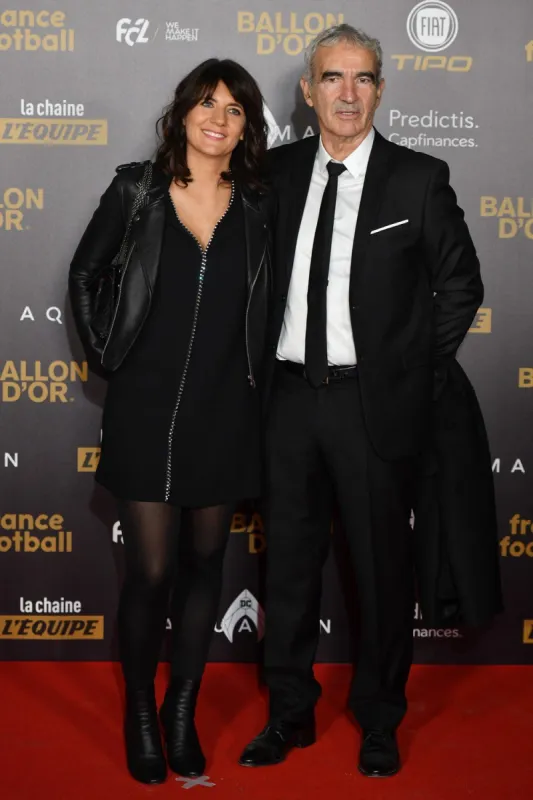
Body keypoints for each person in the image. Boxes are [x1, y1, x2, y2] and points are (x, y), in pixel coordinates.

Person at [239, 24, 483, 777]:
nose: (347, 93)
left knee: (381, 572)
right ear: (307, 92)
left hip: (370, 407)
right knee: (285, 570)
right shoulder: (272, 175)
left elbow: (460, 287)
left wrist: (405, 370)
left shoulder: (418, 178)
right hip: (284, 403)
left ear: (380, 88)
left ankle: (380, 718)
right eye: (332, 78)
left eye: (363, 78)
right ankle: (288, 715)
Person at [69, 59, 271, 785]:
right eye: (206, 102)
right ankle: (141, 716)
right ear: (183, 111)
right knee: (150, 569)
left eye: (236, 109)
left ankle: (181, 710)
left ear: (249, 126)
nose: (219, 117)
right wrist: (110, 356)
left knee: (204, 567)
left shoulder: (257, 204)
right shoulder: (137, 189)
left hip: (226, 407)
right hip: (144, 410)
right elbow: (85, 274)